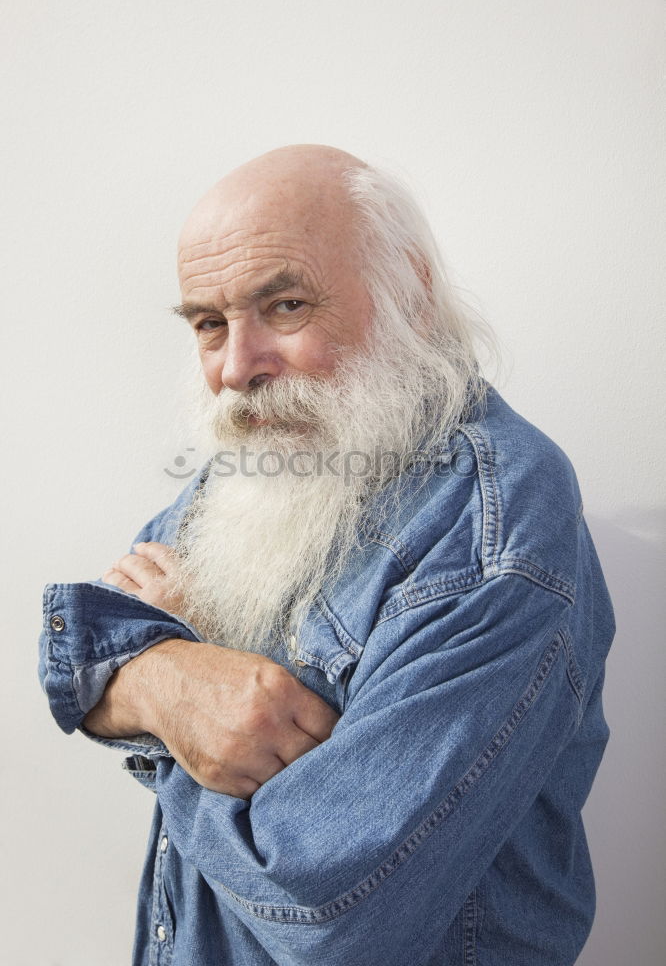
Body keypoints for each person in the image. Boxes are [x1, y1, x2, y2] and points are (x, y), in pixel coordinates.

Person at [38, 144, 615, 966]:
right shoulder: (272, 456)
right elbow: (79, 644)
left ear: (409, 292)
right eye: (209, 324)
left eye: (285, 305)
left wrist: (162, 719)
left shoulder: (497, 522)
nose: (237, 369)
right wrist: (165, 680)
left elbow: (332, 917)